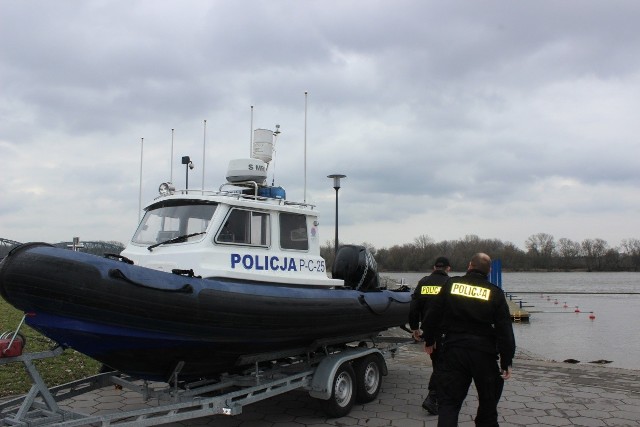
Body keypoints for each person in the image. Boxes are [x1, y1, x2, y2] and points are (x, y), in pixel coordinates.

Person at [422, 253, 515, 427]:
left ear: (469, 265)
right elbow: (505, 331)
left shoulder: (451, 285)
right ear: (489, 271)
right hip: (484, 355)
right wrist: (506, 361)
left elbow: (432, 314)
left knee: (449, 404)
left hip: (454, 352)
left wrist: (429, 340)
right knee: (488, 406)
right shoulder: (495, 293)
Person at [408, 256, 451, 415]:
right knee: (443, 366)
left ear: (434, 267)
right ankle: (433, 398)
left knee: (438, 365)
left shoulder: (423, 282)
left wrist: (414, 328)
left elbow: (413, 307)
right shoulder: (449, 284)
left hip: (428, 331)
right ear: (448, 268)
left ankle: (438, 396)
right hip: (444, 333)